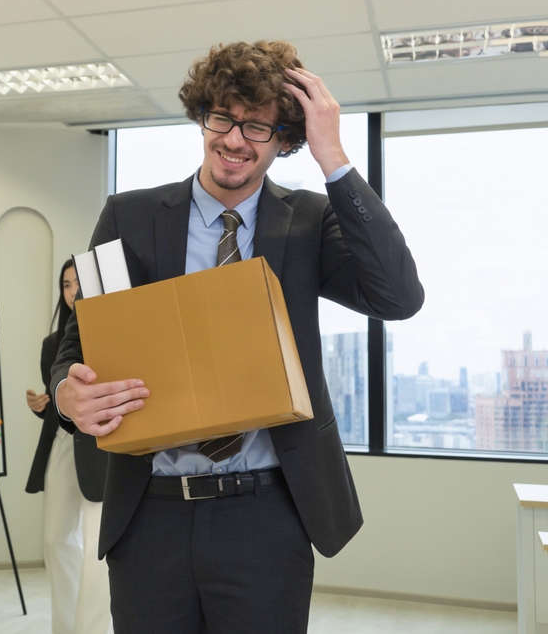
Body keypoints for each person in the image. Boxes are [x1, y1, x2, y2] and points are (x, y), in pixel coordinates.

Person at [51, 41, 424, 633]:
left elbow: (399, 297)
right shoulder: (128, 216)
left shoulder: (307, 221)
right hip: (150, 516)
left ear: (285, 140)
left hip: (268, 515)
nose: (233, 139)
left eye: (257, 127)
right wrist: (67, 397)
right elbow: (78, 346)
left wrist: (335, 159)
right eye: (222, 118)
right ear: (204, 117)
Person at [25, 260, 111, 634]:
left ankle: (91, 628)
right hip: (62, 441)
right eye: (66, 284)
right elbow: (58, 399)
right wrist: (42, 405)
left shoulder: (110, 329)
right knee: (56, 537)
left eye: (78, 283)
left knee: (96, 549)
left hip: (102, 447)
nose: (72, 291)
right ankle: (65, 627)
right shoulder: (51, 344)